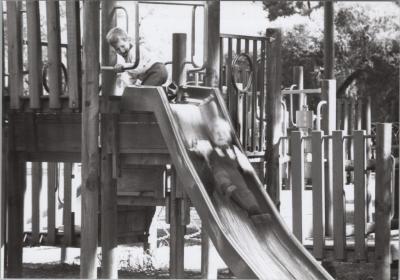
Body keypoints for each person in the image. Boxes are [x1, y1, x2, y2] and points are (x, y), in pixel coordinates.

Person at [190, 117, 270, 224]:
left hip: (235, 176)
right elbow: (197, 148)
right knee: (219, 173)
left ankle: (255, 212)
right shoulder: (209, 147)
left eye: (223, 133)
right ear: (212, 137)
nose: (220, 135)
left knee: (246, 192)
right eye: (216, 133)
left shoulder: (234, 149)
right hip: (219, 177)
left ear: (228, 136)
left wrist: (252, 174)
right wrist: (194, 145)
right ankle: (227, 187)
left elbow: (244, 162)